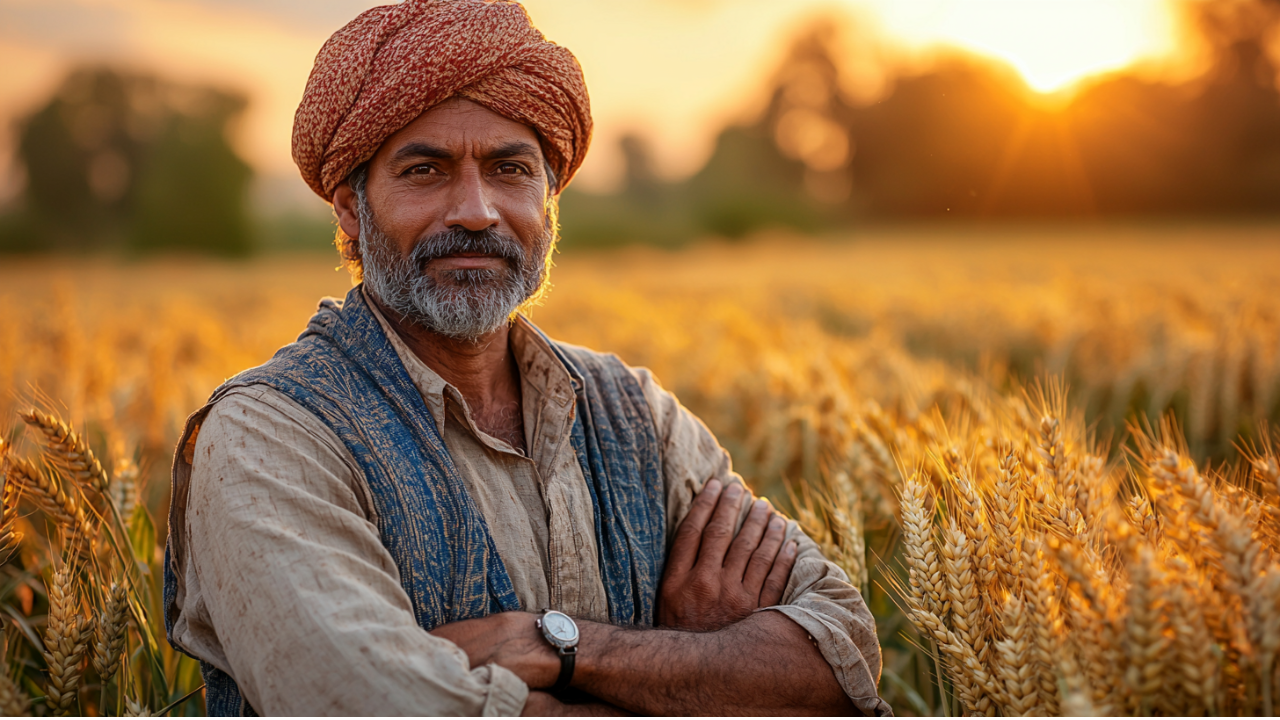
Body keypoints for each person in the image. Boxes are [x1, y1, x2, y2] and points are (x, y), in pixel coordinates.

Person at [163, 0, 889, 715]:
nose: (476, 210)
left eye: (511, 169)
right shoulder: (271, 437)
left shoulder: (635, 414)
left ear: (550, 199)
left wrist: (554, 647)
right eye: (425, 170)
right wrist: (688, 675)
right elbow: (370, 705)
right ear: (351, 210)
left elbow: (840, 658)